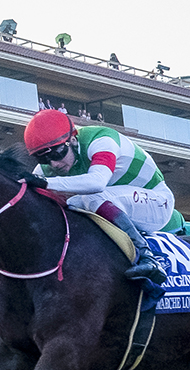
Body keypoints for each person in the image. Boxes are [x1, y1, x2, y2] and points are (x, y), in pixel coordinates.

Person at [23, 109, 171, 284]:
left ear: (72, 139)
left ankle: (148, 257)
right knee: (71, 203)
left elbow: (97, 182)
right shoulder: (46, 169)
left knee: (91, 197)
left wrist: (45, 183)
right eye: (44, 159)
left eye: (56, 153)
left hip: (157, 202)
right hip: (119, 203)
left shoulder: (101, 139)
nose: (53, 164)